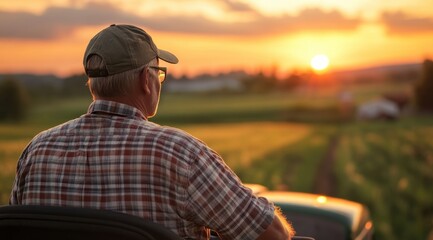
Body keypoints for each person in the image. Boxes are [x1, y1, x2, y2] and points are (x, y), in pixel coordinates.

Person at [10, 24, 294, 240]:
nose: (159, 80)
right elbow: (273, 234)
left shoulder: (37, 151)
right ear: (146, 80)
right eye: (158, 72)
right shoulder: (180, 154)